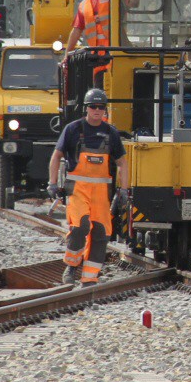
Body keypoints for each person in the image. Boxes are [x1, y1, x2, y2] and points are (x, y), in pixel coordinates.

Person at [47, 87, 129, 284]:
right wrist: (52, 183)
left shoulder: (111, 133)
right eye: (93, 106)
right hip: (77, 189)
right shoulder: (73, 129)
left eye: (101, 107)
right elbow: (56, 156)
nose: (97, 110)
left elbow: (122, 162)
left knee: (101, 233)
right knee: (80, 227)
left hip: (102, 193)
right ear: (86, 108)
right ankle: (71, 266)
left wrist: (125, 189)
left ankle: (89, 278)